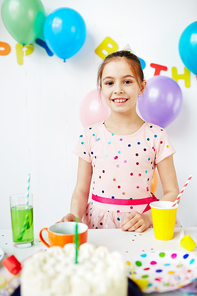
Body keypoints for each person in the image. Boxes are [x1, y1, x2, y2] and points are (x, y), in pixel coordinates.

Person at [59, 47, 179, 232]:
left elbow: (172, 191)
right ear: (101, 88)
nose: (118, 90)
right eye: (109, 83)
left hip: (141, 223)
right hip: (99, 224)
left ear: (141, 86)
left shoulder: (157, 135)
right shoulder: (89, 135)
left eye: (127, 81)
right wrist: (74, 216)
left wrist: (148, 218)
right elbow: (82, 190)